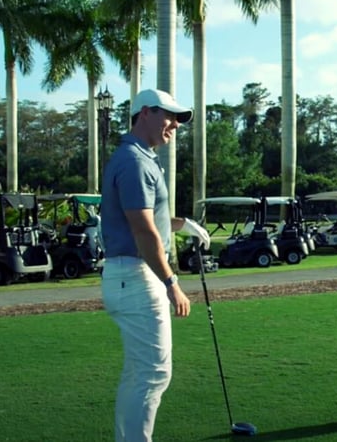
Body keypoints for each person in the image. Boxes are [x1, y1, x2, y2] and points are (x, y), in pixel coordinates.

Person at [100, 88, 211, 442]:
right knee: (152, 373)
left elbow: (151, 220)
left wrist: (181, 224)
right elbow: (143, 231)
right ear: (145, 112)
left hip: (128, 277)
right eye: (170, 116)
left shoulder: (140, 157)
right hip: (137, 277)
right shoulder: (134, 162)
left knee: (139, 373)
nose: (175, 125)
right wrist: (171, 282)